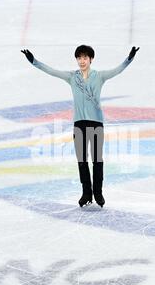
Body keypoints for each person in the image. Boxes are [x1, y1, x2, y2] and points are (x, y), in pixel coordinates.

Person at [21, 45, 140, 208]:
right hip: (79, 124)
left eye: (85, 58)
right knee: (82, 160)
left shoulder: (99, 76)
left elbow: (118, 70)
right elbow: (51, 71)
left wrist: (129, 58)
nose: (82, 61)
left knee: (97, 160)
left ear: (91, 59)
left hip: (97, 123)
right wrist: (34, 61)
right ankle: (86, 192)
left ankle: (98, 192)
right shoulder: (72, 77)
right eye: (79, 58)